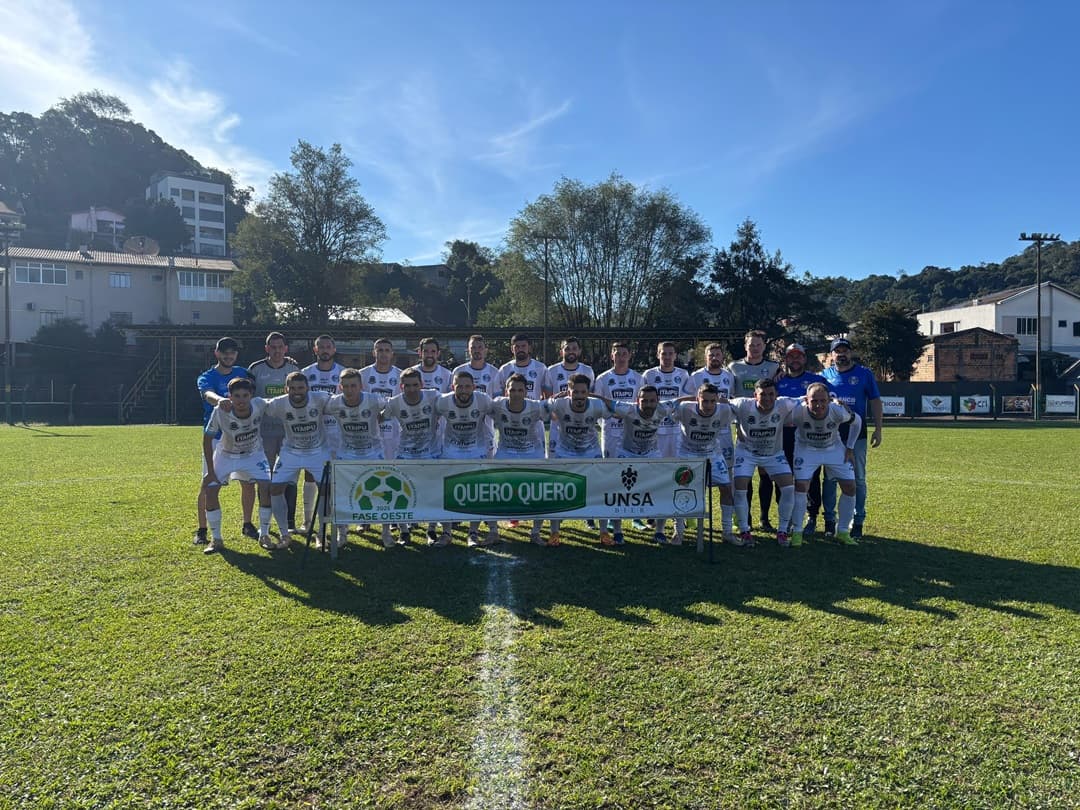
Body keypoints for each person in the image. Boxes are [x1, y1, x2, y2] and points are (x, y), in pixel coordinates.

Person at [595, 385, 676, 545]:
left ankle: (659, 531)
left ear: (658, 401)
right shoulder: (628, 409)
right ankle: (618, 532)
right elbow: (606, 401)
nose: (648, 404)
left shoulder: (663, 408)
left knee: (664, 489)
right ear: (637, 401)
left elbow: (679, 401)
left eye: (652, 401)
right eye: (644, 401)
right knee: (619, 492)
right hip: (627, 453)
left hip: (652, 454)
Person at [200, 378, 273, 554]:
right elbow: (207, 438)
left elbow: (283, 400)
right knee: (210, 489)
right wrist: (210, 471)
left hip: (253, 454)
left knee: (266, 487)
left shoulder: (259, 404)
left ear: (251, 396)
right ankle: (216, 539)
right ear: (229, 397)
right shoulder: (220, 411)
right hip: (226, 454)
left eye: (245, 396)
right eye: (236, 396)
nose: (241, 400)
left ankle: (264, 534)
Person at [821, 337, 883, 540]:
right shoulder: (824, 375)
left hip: (857, 433)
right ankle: (830, 521)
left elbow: (875, 400)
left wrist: (879, 429)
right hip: (831, 434)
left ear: (851, 353)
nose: (841, 354)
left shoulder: (864, 374)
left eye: (844, 351)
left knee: (858, 478)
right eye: (837, 351)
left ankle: (858, 521)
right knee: (830, 479)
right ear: (831, 355)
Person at [195, 336, 254, 545]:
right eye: (225, 352)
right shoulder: (207, 376)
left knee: (248, 483)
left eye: (232, 352)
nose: (229, 356)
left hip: (242, 438)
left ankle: (248, 524)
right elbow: (207, 394)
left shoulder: (243, 373)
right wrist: (220, 401)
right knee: (209, 484)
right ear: (217, 353)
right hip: (216, 439)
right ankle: (202, 530)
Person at [728, 378, 800, 547]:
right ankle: (745, 531)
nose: (767, 398)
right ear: (755, 395)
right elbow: (722, 402)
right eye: (763, 395)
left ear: (776, 395)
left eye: (771, 394)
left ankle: (782, 531)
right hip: (746, 453)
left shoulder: (784, 404)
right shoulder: (743, 404)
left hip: (773, 454)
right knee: (739, 489)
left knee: (789, 488)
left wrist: (833, 401)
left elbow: (806, 398)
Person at [264, 372, 333, 548]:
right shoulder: (278, 403)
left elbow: (344, 403)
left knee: (326, 490)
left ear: (307, 388)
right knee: (275, 489)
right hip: (290, 452)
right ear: (286, 389)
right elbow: (258, 405)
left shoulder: (321, 399)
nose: (297, 392)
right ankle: (284, 534)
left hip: (317, 451)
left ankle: (321, 533)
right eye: (292, 388)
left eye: (300, 388)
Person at [788, 383, 861, 546]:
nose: (819, 405)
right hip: (806, 449)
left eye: (823, 400)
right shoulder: (798, 411)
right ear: (807, 400)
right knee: (801, 487)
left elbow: (858, 422)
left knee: (850, 487)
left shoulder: (837, 410)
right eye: (814, 401)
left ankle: (842, 531)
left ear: (829, 400)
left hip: (833, 449)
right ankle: (797, 532)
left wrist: (850, 447)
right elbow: (779, 422)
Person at [328, 368, 390, 553]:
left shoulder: (373, 400)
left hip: (373, 452)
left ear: (361, 386)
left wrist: (380, 418)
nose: (349, 390)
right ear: (340, 387)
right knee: (340, 492)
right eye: (345, 386)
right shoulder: (333, 403)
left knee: (383, 489)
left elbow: (389, 408)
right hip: (346, 453)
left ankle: (386, 533)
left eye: (353, 385)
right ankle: (342, 533)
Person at [384, 369, 447, 545]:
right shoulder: (394, 402)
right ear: (401, 386)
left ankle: (431, 530)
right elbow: (379, 418)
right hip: (406, 453)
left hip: (431, 452)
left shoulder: (434, 396)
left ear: (422, 384)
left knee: (433, 493)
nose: (411, 389)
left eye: (415, 385)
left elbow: (451, 407)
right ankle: (404, 531)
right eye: (407, 386)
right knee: (400, 491)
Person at [437, 370, 498, 547]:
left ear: (474, 387)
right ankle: (446, 533)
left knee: (476, 492)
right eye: (459, 386)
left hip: (475, 451)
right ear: (452, 387)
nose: (463, 390)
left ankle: (473, 533)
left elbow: (499, 414)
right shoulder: (443, 402)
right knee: (447, 492)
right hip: (451, 451)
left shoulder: (483, 400)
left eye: (467, 386)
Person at [727, 330, 781, 532]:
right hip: (743, 428)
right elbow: (731, 397)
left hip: (767, 429)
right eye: (751, 345)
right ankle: (745, 517)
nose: (755, 348)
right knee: (744, 475)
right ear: (745, 346)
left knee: (765, 473)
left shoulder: (774, 367)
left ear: (764, 346)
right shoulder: (734, 367)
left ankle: (764, 518)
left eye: (758, 344)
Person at [671, 382, 736, 545]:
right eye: (704, 401)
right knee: (681, 488)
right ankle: (678, 532)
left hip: (713, 454)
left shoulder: (725, 410)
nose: (708, 405)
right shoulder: (685, 408)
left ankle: (727, 531)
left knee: (727, 488)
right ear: (697, 399)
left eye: (712, 401)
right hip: (687, 454)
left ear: (717, 401)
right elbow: (668, 406)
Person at [247, 331, 300, 532]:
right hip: (265, 433)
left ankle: (290, 522)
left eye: (280, 347)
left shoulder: (293, 368)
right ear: (267, 348)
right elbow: (249, 397)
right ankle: (265, 523)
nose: (277, 351)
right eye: (273, 347)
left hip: (289, 432)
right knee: (266, 476)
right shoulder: (256, 369)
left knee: (289, 475)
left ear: (285, 349)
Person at [547, 374, 608, 545]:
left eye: (584, 392)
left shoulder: (596, 404)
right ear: (569, 391)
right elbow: (542, 408)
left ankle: (604, 532)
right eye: (576, 391)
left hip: (591, 452)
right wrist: (552, 398)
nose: (580, 395)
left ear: (589, 392)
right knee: (558, 492)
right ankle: (554, 533)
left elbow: (616, 411)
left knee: (597, 491)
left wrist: (600, 397)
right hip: (564, 452)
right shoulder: (559, 403)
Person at [774, 343, 827, 538]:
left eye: (799, 356)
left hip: (808, 434)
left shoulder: (817, 380)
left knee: (811, 477)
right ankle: (785, 519)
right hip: (784, 434)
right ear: (785, 360)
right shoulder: (778, 381)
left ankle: (811, 516)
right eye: (791, 357)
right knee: (784, 476)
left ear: (804, 358)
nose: (795, 360)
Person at [491, 373, 551, 545]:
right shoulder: (497, 404)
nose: (516, 393)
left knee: (538, 492)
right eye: (512, 390)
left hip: (532, 453)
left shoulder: (536, 407)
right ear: (505, 391)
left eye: (520, 390)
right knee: (493, 489)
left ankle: (535, 532)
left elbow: (555, 411)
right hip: (505, 452)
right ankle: (493, 531)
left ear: (526, 392)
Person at [690, 343, 737, 538]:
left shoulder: (729, 376)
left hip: (723, 432)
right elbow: (689, 401)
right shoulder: (695, 377)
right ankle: (690, 515)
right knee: (693, 480)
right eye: (711, 355)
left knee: (728, 476)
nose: (715, 357)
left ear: (722, 356)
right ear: (706, 357)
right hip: (700, 430)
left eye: (718, 354)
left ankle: (731, 520)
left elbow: (732, 400)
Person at [359, 337, 402, 545]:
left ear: (392, 354)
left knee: (391, 475)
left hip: (393, 435)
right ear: (373, 352)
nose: (383, 353)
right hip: (369, 434)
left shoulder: (400, 376)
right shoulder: (363, 375)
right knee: (369, 475)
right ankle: (366, 516)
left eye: (387, 350)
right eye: (380, 350)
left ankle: (391, 518)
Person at [301, 335, 344, 533]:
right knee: (310, 474)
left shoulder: (344, 373)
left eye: (329, 346)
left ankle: (338, 518)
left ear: (334, 349)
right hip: (313, 431)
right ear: (315, 350)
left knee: (337, 476)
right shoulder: (305, 373)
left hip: (337, 432)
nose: (325, 350)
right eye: (321, 347)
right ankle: (307, 520)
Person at [542, 336, 595, 455]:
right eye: (567, 349)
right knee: (555, 463)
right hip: (558, 424)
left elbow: (591, 397)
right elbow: (548, 398)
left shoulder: (587, 371)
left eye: (574, 348)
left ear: (579, 351)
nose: (571, 351)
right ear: (561, 352)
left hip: (582, 423)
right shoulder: (551, 371)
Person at [452, 334, 500, 457]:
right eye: (473, 347)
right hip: (462, 427)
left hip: (486, 430)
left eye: (480, 347)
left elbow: (496, 403)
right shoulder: (458, 371)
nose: (477, 350)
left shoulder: (494, 372)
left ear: (485, 350)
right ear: (468, 350)